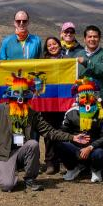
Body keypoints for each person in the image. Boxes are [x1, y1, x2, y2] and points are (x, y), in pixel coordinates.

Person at [58, 79, 103, 183]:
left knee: (100, 152)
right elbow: (62, 132)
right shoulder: (71, 113)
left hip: (94, 149)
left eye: (89, 95)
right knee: (59, 142)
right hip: (76, 149)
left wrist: (91, 147)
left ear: (95, 96)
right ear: (78, 97)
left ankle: (96, 170)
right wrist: (73, 137)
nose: (86, 99)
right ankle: (72, 168)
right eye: (83, 96)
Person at [41, 34, 67, 174]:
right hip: (48, 102)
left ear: (59, 44)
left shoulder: (67, 61)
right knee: (49, 132)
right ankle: (50, 162)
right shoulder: (42, 63)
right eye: (49, 45)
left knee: (63, 130)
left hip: (64, 101)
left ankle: (63, 161)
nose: (52, 46)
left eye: (54, 43)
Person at [77, 25, 103, 115]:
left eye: (95, 36)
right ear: (85, 39)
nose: (92, 39)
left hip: (101, 101)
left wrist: (87, 63)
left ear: (99, 38)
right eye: (89, 36)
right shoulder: (78, 55)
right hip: (83, 100)